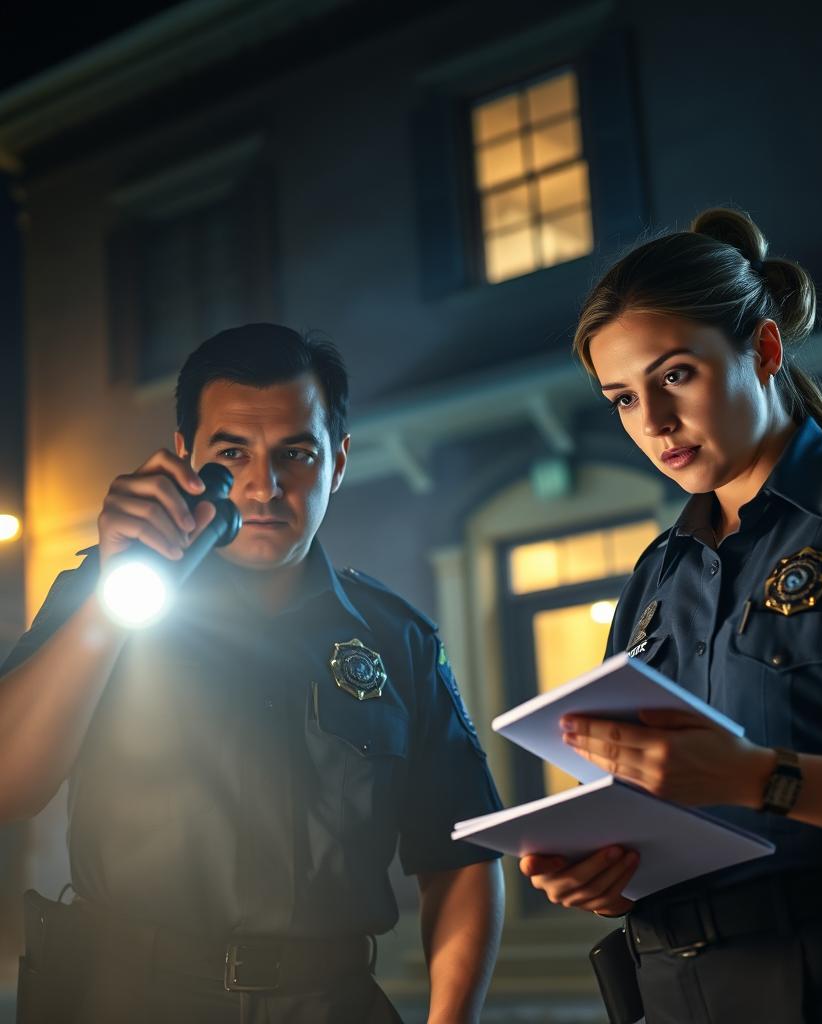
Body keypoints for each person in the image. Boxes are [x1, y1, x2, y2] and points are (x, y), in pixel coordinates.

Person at [519, 209, 822, 1023]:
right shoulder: (657, 576)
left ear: (762, 350)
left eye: (675, 375)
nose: (651, 422)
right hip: (677, 992)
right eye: (621, 398)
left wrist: (759, 777)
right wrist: (603, 877)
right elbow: (645, 823)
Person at [0, 324, 505, 1023]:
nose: (263, 487)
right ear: (185, 457)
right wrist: (114, 603)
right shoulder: (106, 590)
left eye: (295, 454)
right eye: (231, 453)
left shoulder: (397, 637)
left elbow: (463, 856)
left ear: (338, 462)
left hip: (333, 1003)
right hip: (131, 998)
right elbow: (8, 786)